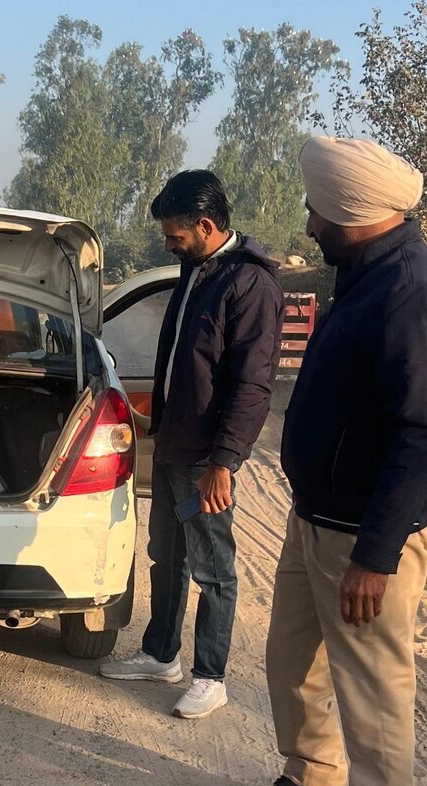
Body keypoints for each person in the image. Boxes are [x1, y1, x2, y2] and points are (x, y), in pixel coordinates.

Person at [225, 136, 427, 786]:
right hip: (315, 518)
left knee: (373, 690)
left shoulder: (412, 296)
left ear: (354, 213)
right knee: (292, 660)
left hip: (362, 535)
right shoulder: (365, 276)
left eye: (317, 210)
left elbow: (420, 434)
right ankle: (313, 779)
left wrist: (377, 554)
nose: (308, 223)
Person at [98, 169, 283, 720]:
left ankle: (211, 676)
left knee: (213, 568)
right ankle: (160, 655)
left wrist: (224, 461)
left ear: (205, 225)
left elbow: (253, 385)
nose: (167, 244)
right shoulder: (195, 269)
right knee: (167, 555)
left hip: (206, 457)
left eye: (174, 235)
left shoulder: (249, 285)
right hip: (174, 444)